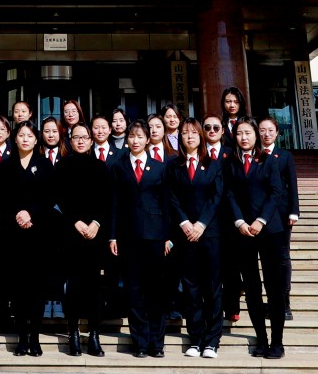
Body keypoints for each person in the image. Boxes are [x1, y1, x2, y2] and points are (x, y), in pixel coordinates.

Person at [109, 120, 171, 358]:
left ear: (148, 139)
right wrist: (112, 235)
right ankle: (140, 343)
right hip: (128, 236)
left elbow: (166, 204)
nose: (135, 141)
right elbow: (114, 203)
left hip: (156, 236)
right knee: (134, 291)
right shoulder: (119, 166)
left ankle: (157, 343)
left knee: (156, 291)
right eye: (132, 136)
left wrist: (167, 237)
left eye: (140, 136)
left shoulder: (160, 167)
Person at [227, 118, 289, 359]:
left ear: (256, 135)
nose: (243, 137)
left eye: (248, 133)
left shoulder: (268, 160)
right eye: (239, 133)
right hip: (243, 232)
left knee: (274, 287)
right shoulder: (231, 162)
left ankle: (277, 342)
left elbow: (276, 192)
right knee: (252, 288)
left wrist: (260, 220)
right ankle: (261, 339)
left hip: (269, 230)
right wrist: (240, 222)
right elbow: (229, 194)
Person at [0, 120, 53, 356]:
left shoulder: (45, 165)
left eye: (30, 135)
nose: (25, 139)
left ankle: (35, 338)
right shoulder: (5, 166)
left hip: (38, 235)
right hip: (13, 235)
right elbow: (0, 198)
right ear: (15, 138)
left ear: (36, 139)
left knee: (36, 290)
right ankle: (21, 338)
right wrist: (18, 216)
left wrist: (31, 213)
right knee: (18, 289)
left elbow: (49, 197)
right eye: (21, 135)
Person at [169, 119, 224, 358]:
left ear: (201, 136)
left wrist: (201, 224)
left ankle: (212, 340)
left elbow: (217, 196)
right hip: (185, 235)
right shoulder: (174, 166)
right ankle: (196, 338)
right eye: (184, 133)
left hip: (209, 234)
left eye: (193, 132)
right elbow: (171, 197)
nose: (189, 136)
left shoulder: (213, 164)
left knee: (212, 287)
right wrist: (185, 223)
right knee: (191, 288)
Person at [56, 122, 111, 357]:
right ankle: (74, 333)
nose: (80, 141)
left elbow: (106, 200)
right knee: (73, 286)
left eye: (84, 137)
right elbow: (58, 199)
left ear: (91, 141)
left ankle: (95, 334)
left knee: (93, 287)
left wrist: (96, 223)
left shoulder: (100, 167)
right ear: (70, 141)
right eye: (76, 137)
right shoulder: (62, 166)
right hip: (71, 234)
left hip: (94, 235)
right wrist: (75, 221)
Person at [258, 118, 300, 320]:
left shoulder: (284, 155)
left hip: (281, 214)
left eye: (270, 130)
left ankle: (284, 303)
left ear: (277, 133)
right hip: (259, 213)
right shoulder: (254, 155)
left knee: (282, 257)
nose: (266, 134)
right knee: (266, 259)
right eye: (262, 130)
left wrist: (294, 211)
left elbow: (292, 184)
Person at [203, 116, 241, 322]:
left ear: (222, 131)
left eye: (216, 127)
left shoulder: (230, 153)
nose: (211, 130)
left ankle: (232, 306)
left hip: (228, 216)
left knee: (231, 264)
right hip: (205, 217)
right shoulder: (199, 154)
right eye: (207, 127)